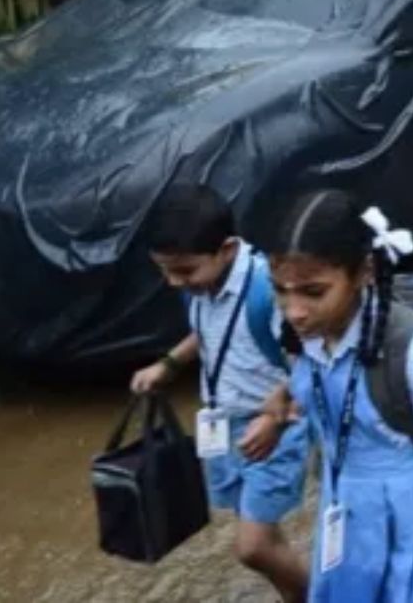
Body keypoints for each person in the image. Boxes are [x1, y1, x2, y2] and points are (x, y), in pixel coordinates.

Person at [262, 190, 413, 602]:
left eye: (313, 292)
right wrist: (280, 405)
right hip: (344, 508)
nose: (293, 311)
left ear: (364, 271)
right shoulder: (303, 336)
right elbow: (317, 383)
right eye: (280, 291)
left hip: (410, 520)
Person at [129, 182, 309, 602]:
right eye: (165, 271)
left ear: (227, 250)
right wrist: (168, 364)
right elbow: (207, 332)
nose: (174, 282)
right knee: (262, 536)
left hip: (277, 426)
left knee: (253, 546)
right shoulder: (201, 287)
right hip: (227, 424)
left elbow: (311, 363)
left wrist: (274, 418)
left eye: (185, 271)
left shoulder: (270, 291)